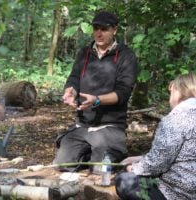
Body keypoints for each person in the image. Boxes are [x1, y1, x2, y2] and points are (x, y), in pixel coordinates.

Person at [53, 11, 138, 171]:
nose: (99, 33)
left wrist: (97, 99)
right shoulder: (84, 53)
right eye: (96, 28)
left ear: (114, 30)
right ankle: (90, 154)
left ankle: (112, 152)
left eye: (104, 29)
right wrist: (70, 91)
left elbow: (123, 93)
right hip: (82, 125)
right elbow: (74, 78)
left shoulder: (126, 56)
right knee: (62, 165)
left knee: (100, 170)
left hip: (110, 126)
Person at [115, 73, 196, 200]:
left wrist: (134, 168)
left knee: (124, 180)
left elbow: (158, 164)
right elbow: (184, 154)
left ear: (178, 92)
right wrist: (139, 158)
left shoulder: (175, 120)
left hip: (179, 193)